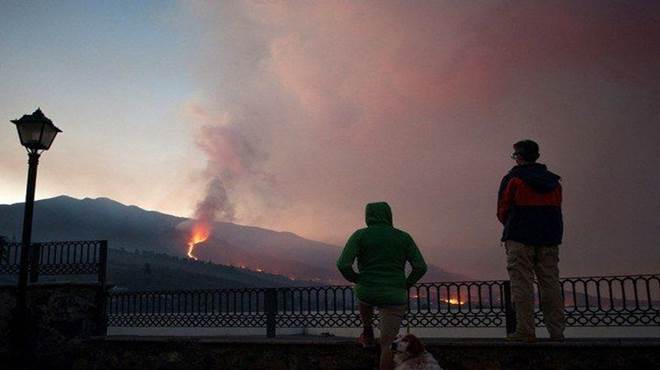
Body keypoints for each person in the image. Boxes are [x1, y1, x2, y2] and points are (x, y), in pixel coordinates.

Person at [337, 202, 427, 370]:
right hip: (394, 294)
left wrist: (356, 278)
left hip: (367, 291)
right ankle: (376, 345)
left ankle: (367, 331)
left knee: (362, 295)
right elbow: (421, 267)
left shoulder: (360, 235)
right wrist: (406, 283)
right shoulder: (403, 237)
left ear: (367, 216)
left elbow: (343, 264)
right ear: (389, 215)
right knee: (387, 345)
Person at [497, 139, 565, 342]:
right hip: (549, 238)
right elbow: (557, 208)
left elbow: (502, 209)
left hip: (519, 237)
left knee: (522, 284)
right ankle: (557, 331)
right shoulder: (554, 182)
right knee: (551, 283)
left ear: (519, 156)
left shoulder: (513, 179)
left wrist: (513, 225)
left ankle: (525, 331)